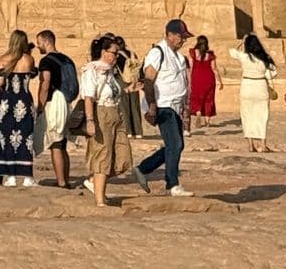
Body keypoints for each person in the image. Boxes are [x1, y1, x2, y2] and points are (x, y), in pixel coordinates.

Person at [136, 18, 193, 196]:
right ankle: (172, 184)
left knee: (176, 144)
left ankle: (143, 168)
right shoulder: (158, 52)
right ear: (169, 35)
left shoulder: (178, 56)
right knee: (175, 144)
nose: (183, 40)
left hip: (174, 106)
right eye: (180, 36)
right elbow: (148, 80)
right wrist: (152, 105)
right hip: (162, 105)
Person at [80, 34, 133, 206]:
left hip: (115, 113)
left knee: (122, 156)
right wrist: (90, 121)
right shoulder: (92, 70)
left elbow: (114, 92)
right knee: (103, 155)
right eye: (115, 53)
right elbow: (89, 97)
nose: (117, 56)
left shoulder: (110, 71)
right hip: (100, 113)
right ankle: (100, 200)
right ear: (104, 52)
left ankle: (93, 181)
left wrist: (130, 88)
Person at [0, 29, 37, 186]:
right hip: (24, 101)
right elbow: (32, 74)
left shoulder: (3, 59)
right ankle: (27, 176)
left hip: (7, 101)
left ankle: (10, 176)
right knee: (25, 137)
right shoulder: (29, 59)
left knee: (7, 137)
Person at [33, 28, 77, 188]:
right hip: (66, 102)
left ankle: (61, 181)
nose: (38, 47)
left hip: (55, 103)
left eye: (39, 43)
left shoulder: (46, 61)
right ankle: (64, 178)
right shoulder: (67, 59)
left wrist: (40, 106)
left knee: (55, 144)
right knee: (62, 142)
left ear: (46, 41)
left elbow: (45, 84)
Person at [230, 33, 277, 153]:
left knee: (247, 116)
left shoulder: (244, 57)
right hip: (260, 87)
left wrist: (242, 41)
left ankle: (251, 145)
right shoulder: (264, 58)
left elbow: (232, 51)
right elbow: (274, 72)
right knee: (262, 116)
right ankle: (263, 144)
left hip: (247, 86)